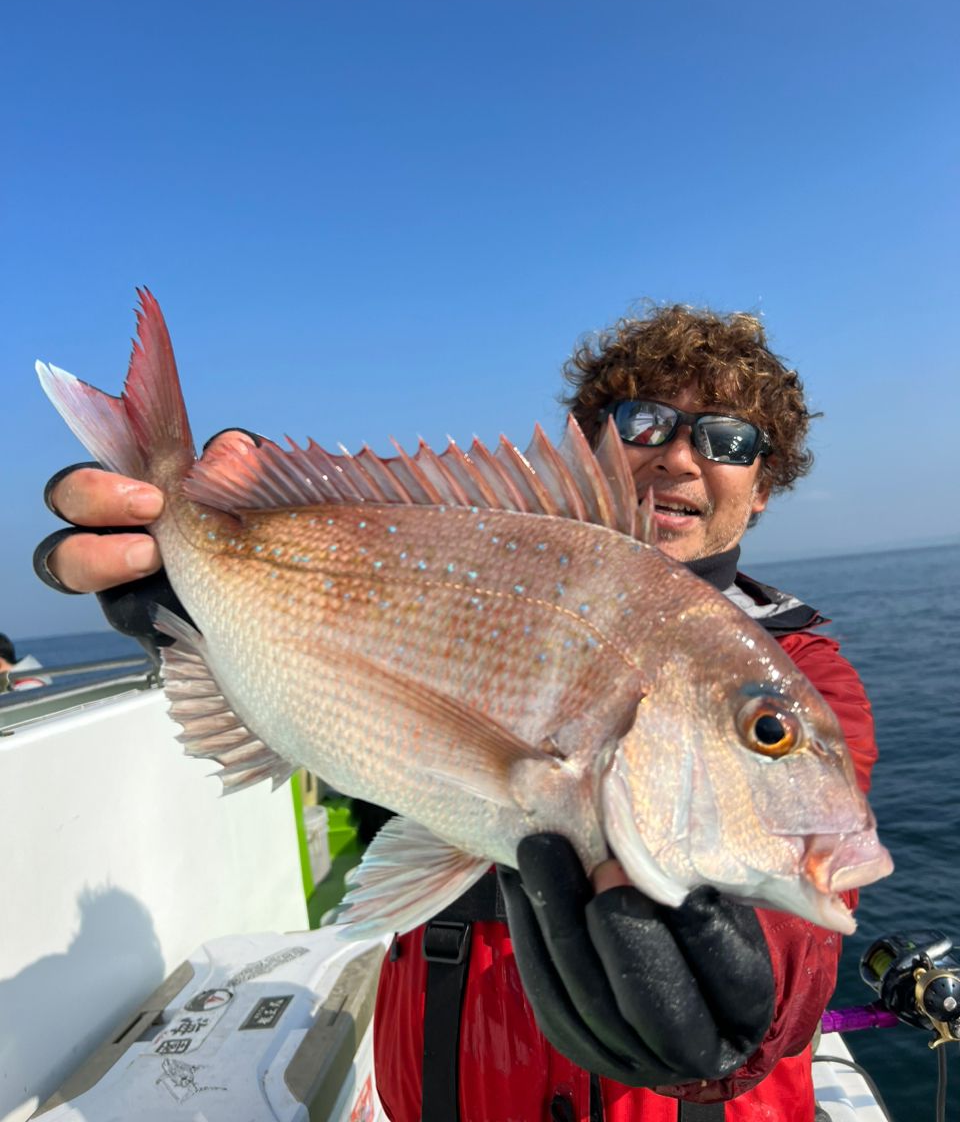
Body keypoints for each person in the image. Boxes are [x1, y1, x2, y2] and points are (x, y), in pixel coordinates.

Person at [34, 304, 877, 1122]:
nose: (683, 457)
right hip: (445, 1082)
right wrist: (215, 592)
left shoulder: (804, 672)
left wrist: (745, 1019)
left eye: (730, 439)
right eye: (646, 419)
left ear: (763, 487)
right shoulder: (479, 541)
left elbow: (796, 948)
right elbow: (337, 707)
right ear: (591, 444)